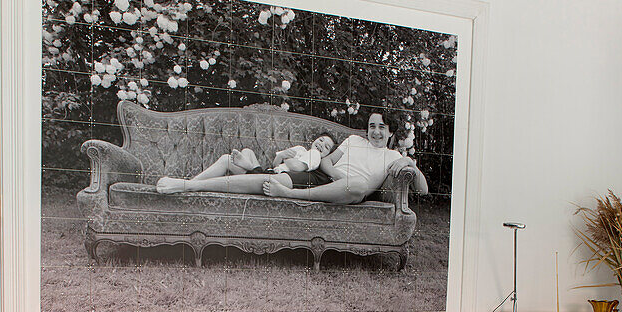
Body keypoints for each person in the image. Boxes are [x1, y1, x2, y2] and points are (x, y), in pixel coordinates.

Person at [155, 112, 428, 203]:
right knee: (262, 180)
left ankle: (287, 194)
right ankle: (188, 185)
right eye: (372, 126)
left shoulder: (394, 156)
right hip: (322, 177)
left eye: (382, 127)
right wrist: (336, 174)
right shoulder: (354, 140)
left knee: (357, 186)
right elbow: (326, 161)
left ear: (391, 132)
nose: (376, 131)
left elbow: (423, 190)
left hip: (349, 192)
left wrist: (411, 165)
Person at [156, 135, 335, 194]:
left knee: (230, 159)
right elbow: (275, 161)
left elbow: (297, 167)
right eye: (320, 140)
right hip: (272, 171)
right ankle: (190, 183)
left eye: (326, 147)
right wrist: (284, 156)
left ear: (327, 154)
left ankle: (188, 185)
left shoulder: (314, 156)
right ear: (314, 139)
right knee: (240, 154)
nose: (321, 145)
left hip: (276, 177)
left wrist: (287, 158)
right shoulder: (301, 149)